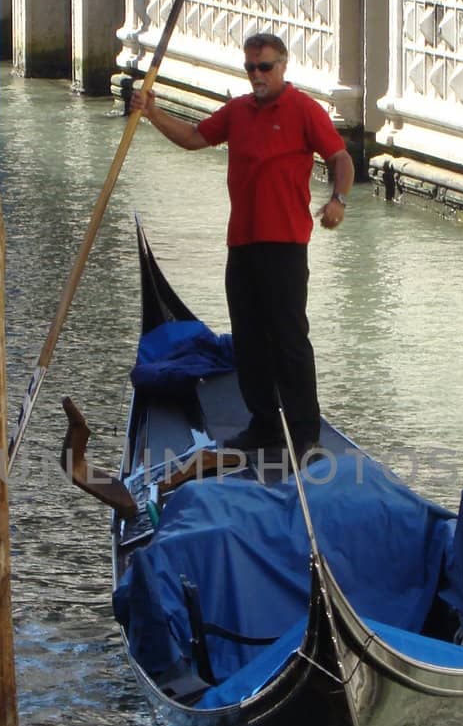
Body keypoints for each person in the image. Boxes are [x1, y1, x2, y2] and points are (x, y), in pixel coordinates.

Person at [131, 32, 354, 458]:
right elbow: (195, 137)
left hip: (286, 245)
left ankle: (306, 434)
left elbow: (340, 158)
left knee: (289, 339)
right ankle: (265, 424)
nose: (256, 75)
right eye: (250, 67)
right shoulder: (238, 112)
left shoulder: (303, 109)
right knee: (249, 339)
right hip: (242, 244)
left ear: (283, 67)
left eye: (264, 67)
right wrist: (152, 114)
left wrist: (338, 201)